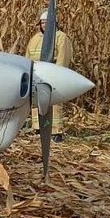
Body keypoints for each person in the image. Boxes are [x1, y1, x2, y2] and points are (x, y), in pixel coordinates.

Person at [25, 9, 74, 142]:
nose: (44, 25)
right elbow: (28, 56)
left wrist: (57, 74)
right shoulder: (35, 38)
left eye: (47, 22)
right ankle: (38, 127)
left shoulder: (60, 37)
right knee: (37, 102)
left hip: (52, 74)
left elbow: (63, 57)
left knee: (54, 102)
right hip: (36, 74)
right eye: (42, 22)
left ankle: (56, 131)